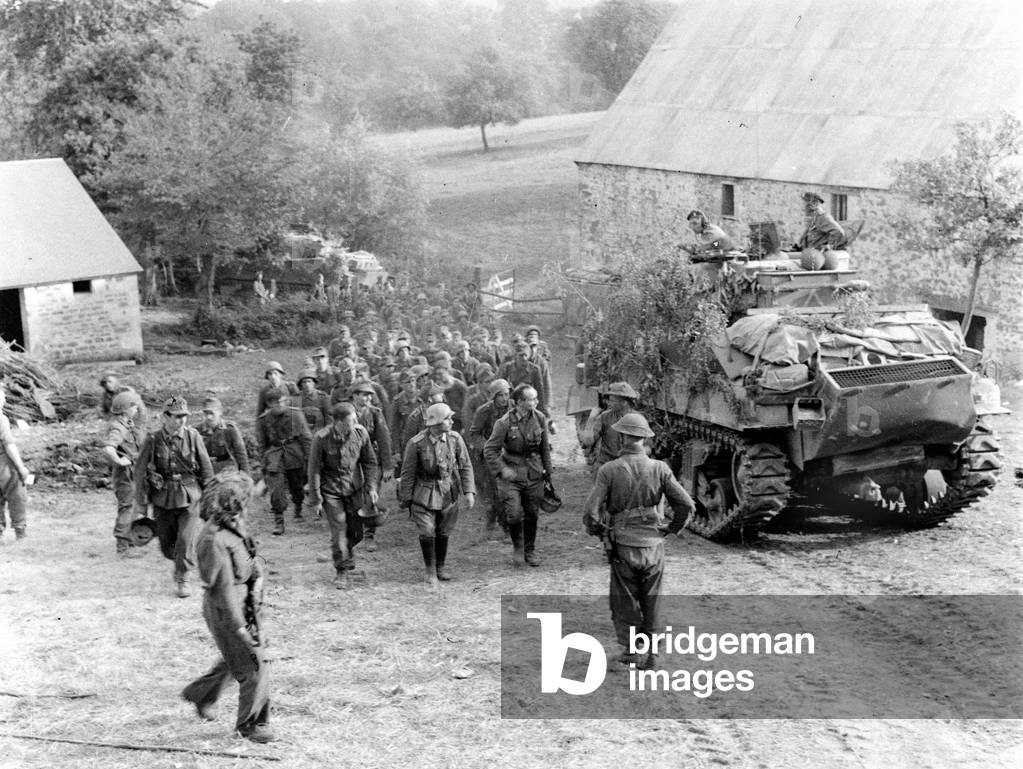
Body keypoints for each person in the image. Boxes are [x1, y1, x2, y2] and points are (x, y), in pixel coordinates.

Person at [582, 413, 695, 670]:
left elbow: (590, 513)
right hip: (653, 547)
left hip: (623, 545)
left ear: (622, 437)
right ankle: (653, 654)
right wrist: (670, 529)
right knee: (652, 600)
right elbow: (686, 505)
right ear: (644, 439)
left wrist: (600, 532)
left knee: (625, 601)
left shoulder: (609, 470)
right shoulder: (660, 468)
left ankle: (632, 653)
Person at [182, 471, 273, 743]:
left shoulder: (231, 524)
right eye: (244, 499)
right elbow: (222, 590)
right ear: (232, 502)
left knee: (236, 660)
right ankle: (251, 725)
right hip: (227, 611)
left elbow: (247, 557)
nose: (248, 503)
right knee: (255, 665)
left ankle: (201, 693)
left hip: (244, 604)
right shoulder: (213, 539)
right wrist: (240, 627)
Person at [135, 397, 215, 597]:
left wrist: (211, 497)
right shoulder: (152, 440)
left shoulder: (193, 436)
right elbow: (140, 472)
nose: (181, 421)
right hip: (162, 497)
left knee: (185, 538)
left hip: (190, 496)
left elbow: (206, 468)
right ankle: (178, 560)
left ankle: (183, 577)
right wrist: (141, 502)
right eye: (177, 417)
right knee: (167, 545)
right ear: (165, 417)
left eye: (184, 417)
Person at [399, 403, 476, 586]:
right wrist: (406, 499)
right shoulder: (416, 443)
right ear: (436, 423)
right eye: (447, 419)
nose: (451, 422)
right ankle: (430, 570)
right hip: (423, 493)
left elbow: (465, 466)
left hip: (448, 492)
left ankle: (440, 567)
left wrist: (469, 491)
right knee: (427, 531)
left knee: (443, 531)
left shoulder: (455, 439)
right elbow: (407, 473)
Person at [306, 402, 379, 590]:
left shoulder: (360, 433)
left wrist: (371, 487)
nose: (354, 423)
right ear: (338, 422)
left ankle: (345, 551)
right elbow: (314, 470)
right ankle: (342, 570)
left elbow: (369, 462)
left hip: (354, 488)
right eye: (350, 421)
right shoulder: (321, 439)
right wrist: (316, 500)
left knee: (356, 531)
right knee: (339, 530)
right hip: (331, 491)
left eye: (355, 419)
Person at [483, 384, 552, 567]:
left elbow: (544, 447)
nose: (536, 402)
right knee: (513, 514)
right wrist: (502, 469)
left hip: (534, 472)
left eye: (536, 398)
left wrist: (548, 472)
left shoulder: (539, 417)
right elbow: (490, 450)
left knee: (532, 513)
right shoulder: (504, 422)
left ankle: (530, 551)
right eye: (531, 399)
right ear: (520, 402)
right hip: (512, 474)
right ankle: (518, 549)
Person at [256, 388, 312, 535]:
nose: (280, 404)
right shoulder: (263, 420)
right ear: (269, 404)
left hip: (294, 453)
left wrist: (309, 458)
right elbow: (262, 444)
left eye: (282, 401)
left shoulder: (296, 414)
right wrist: (264, 462)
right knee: (276, 489)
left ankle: (298, 505)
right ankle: (279, 520)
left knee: (297, 486)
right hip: (274, 455)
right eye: (276, 403)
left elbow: (306, 437)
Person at [349, 379, 394, 552]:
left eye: (370, 395)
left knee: (371, 494)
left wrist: (388, 465)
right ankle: (355, 533)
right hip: (351, 460)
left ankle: (369, 535)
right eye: (364, 394)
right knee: (353, 495)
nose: (368, 398)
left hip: (372, 459)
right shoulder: (346, 411)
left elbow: (384, 438)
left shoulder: (375, 413)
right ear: (354, 395)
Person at [101, 390, 146, 556]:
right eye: (133, 406)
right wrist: (119, 461)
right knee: (127, 507)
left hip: (133, 473)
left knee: (134, 507)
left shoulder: (127, 424)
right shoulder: (117, 427)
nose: (136, 409)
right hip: (125, 475)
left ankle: (129, 541)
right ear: (125, 409)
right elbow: (108, 448)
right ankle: (122, 547)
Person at [468, 378, 510, 536]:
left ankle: (509, 524)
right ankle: (497, 522)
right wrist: (488, 448)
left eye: (506, 394)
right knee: (495, 494)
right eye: (501, 395)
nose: (505, 398)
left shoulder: (514, 409)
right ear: (493, 397)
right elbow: (474, 434)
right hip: (490, 457)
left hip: (511, 453)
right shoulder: (484, 411)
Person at [0, 380, 34, 542]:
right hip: (3, 464)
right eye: (3, 397)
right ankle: (20, 532)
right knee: (17, 495)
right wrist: (21, 468)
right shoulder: (1, 419)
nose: (5, 400)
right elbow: (9, 445)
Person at [582, 382, 640, 475]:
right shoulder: (605, 417)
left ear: (624, 402)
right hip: (607, 465)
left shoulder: (638, 419)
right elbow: (588, 442)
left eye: (613, 400)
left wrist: (636, 452)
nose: (609, 403)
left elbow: (648, 447)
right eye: (609, 400)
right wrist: (591, 420)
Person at [197, 397, 250, 475]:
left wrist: (246, 477)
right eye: (206, 413)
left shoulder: (229, 429)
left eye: (212, 413)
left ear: (219, 412)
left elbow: (241, 455)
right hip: (204, 471)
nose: (209, 417)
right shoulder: (197, 430)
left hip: (226, 471)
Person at [797, 192, 845, 268]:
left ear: (812, 204)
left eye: (804, 202)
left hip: (817, 258)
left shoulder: (823, 217)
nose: (802, 206)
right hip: (810, 254)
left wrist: (828, 245)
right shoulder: (814, 217)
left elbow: (839, 231)